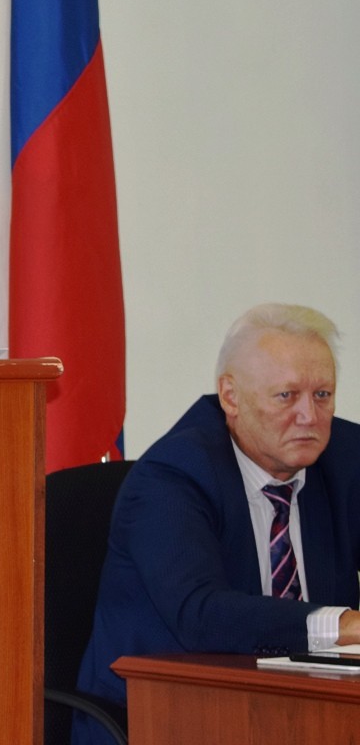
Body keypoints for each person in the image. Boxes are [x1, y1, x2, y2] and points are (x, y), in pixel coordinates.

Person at [73, 303, 360, 745]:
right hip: (165, 716)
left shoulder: (344, 457)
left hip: (305, 712)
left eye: (322, 395)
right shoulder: (173, 475)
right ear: (231, 396)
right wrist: (339, 625)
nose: (310, 416)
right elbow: (201, 614)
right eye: (287, 396)